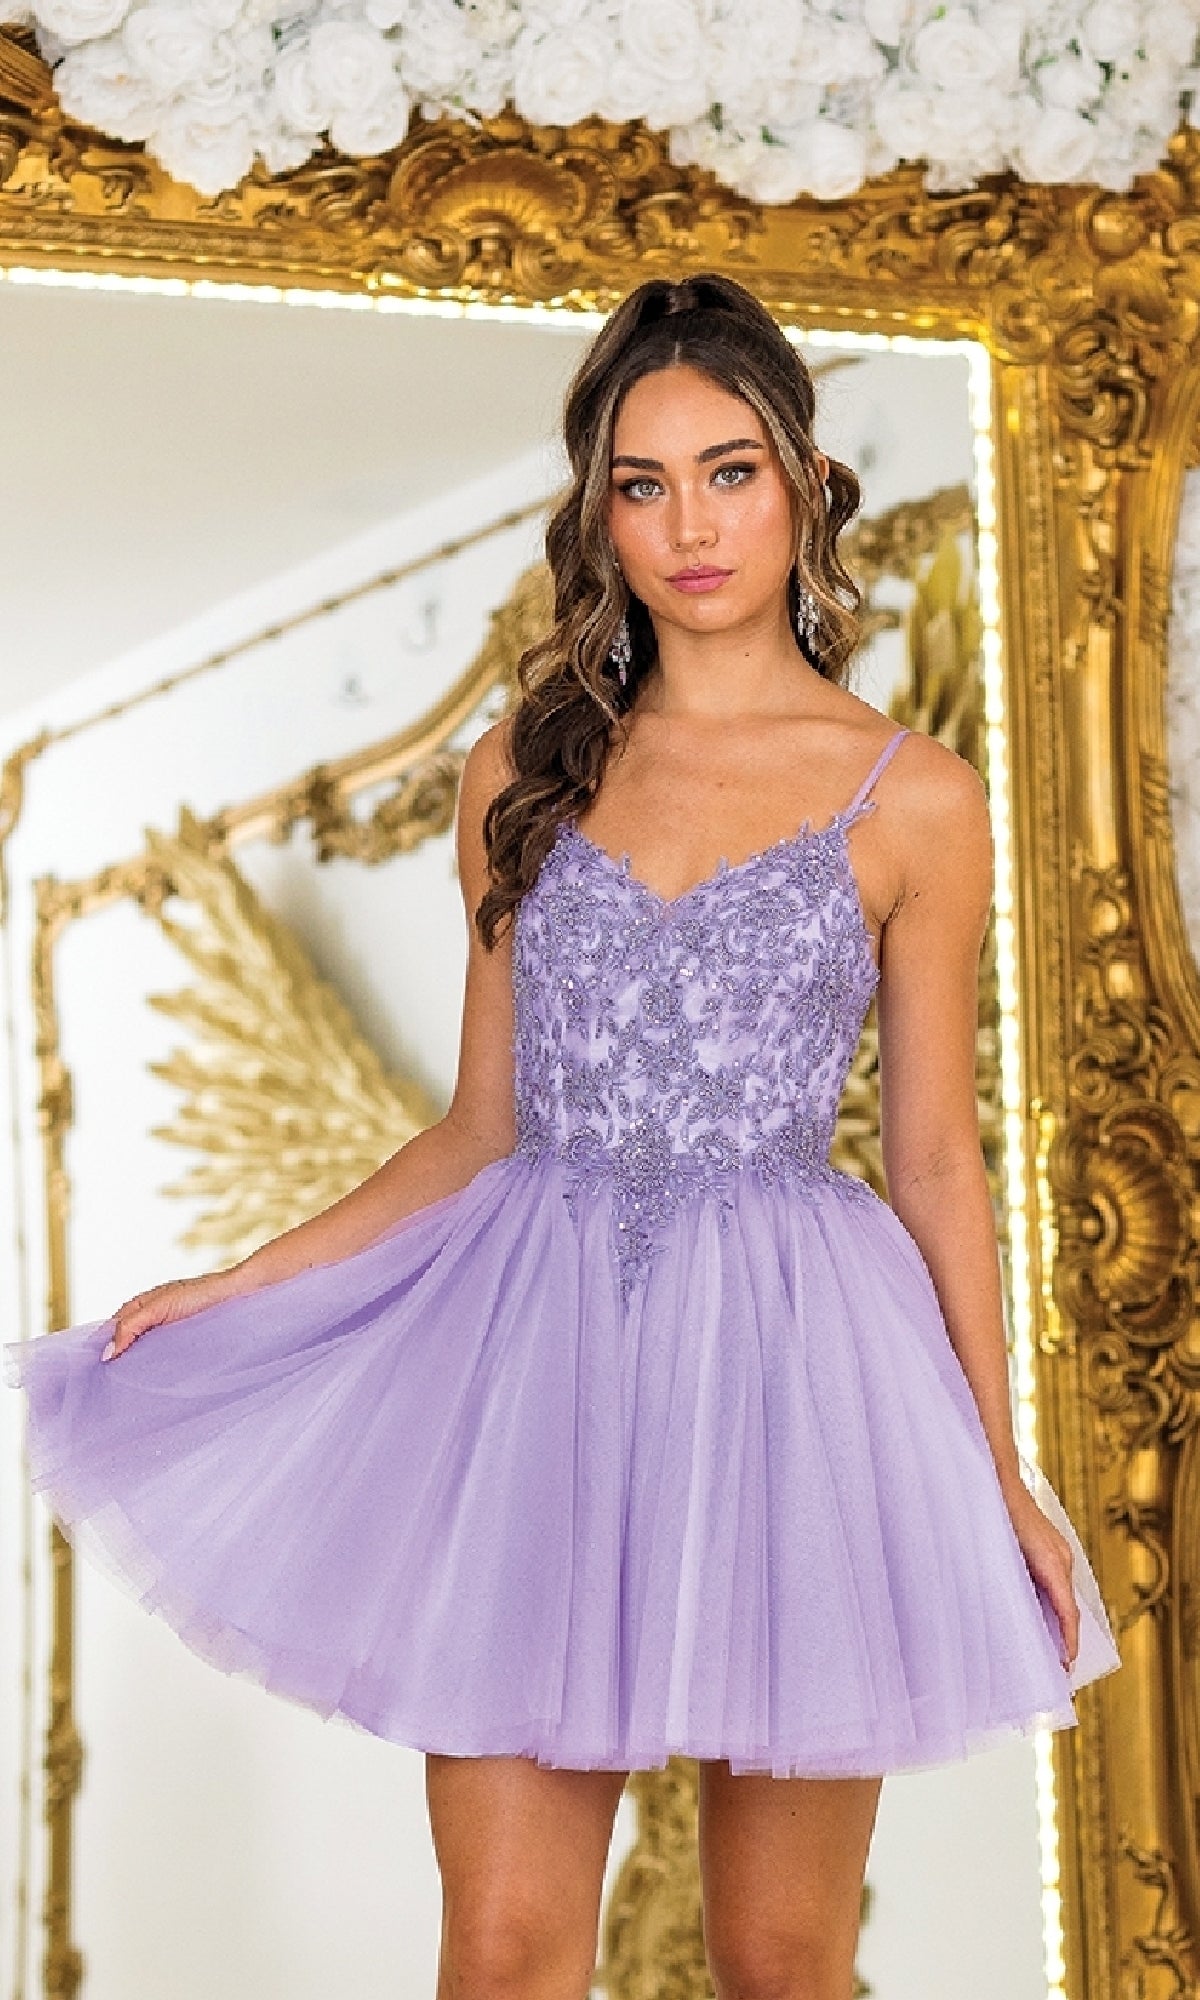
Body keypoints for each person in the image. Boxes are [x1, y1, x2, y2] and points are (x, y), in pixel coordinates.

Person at [6, 274, 1119, 2000]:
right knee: (509, 1952)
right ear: (596, 509)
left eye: (730, 472)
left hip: (800, 1381)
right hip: (541, 1371)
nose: (690, 524)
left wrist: (992, 1469)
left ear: (808, 487)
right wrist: (242, 1280)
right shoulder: (519, 763)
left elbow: (935, 1164)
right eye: (642, 481)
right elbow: (476, 1128)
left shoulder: (915, 797)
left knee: (780, 1959)